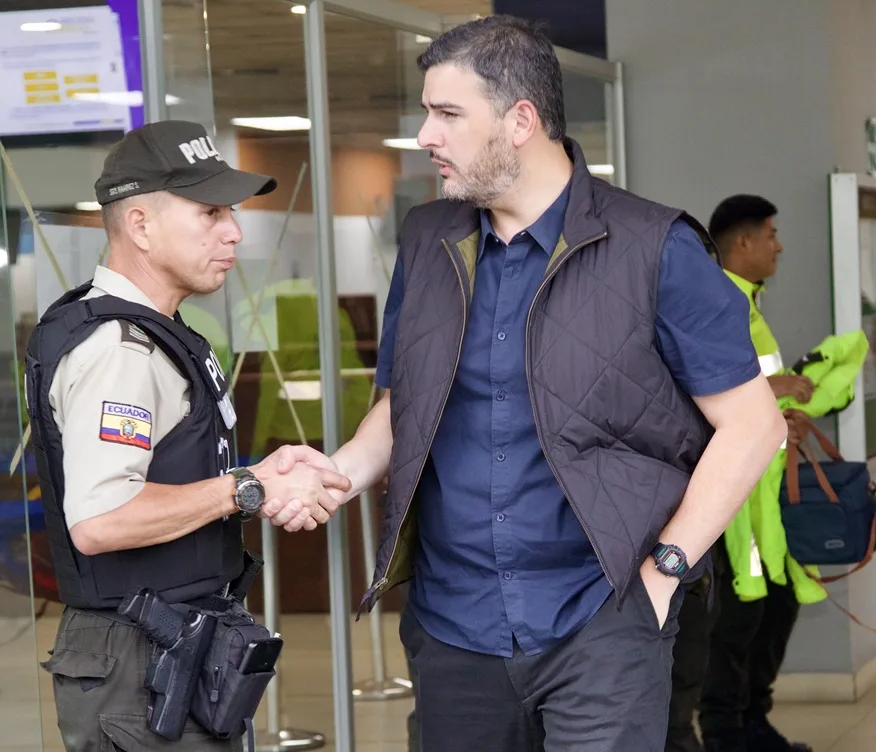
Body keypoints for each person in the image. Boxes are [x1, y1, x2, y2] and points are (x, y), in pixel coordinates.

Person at [275, 16, 786, 752]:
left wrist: (666, 570)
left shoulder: (657, 247)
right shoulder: (427, 240)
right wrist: (339, 473)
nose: (425, 135)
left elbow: (755, 425)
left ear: (521, 120)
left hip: (603, 618)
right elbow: (404, 402)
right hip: (452, 625)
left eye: (448, 114)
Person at [25, 120, 350, 752]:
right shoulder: (118, 351)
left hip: (174, 649)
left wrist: (261, 479)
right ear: (140, 225)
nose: (233, 231)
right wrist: (247, 488)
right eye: (210, 212)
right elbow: (101, 520)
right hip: (136, 665)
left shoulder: (160, 331)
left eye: (230, 212)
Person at [696, 196, 814, 752]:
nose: (778, 245)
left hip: (765, 495)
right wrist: (775, 389)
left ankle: (751, 723)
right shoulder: (716, 304)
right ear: (742, 242)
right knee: (740, 618)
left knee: (775, 606)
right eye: (770, 234)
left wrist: (782, 417)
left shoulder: (748, 302)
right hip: (735, 501)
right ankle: (726, 732)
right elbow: (700, 390)